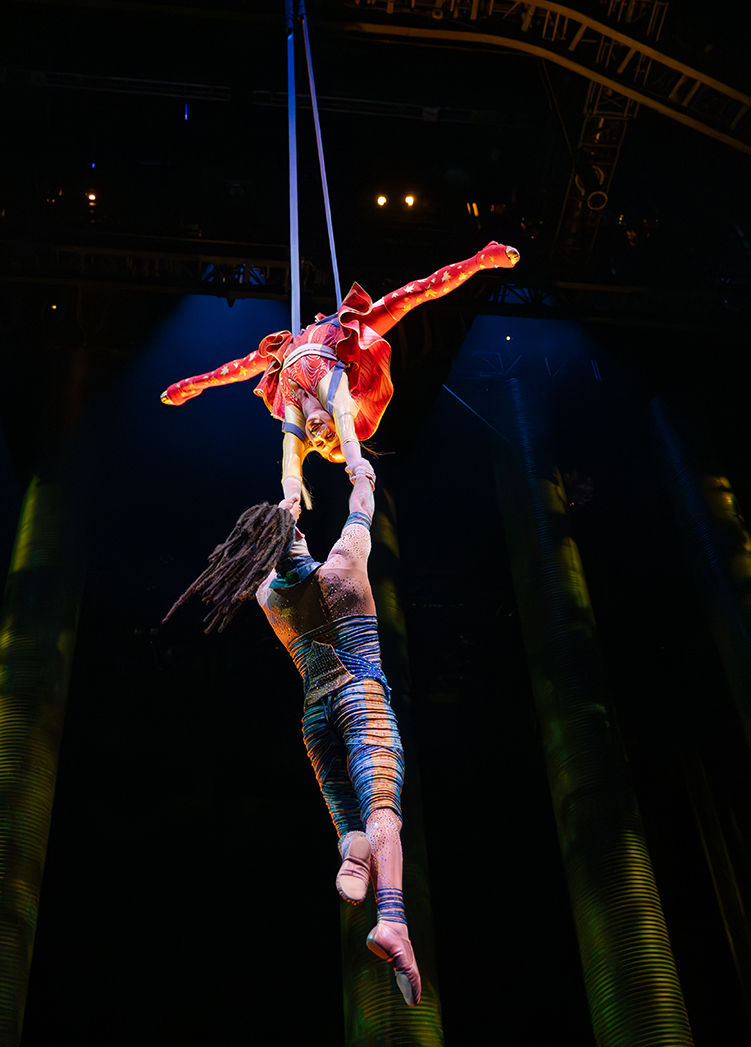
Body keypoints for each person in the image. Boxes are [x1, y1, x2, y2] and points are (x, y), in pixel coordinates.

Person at [164, 462, 420, 1005]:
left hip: (314, 716)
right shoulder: (344, 565)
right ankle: (393, 921)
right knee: (382, 807)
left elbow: (274, 553)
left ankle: (353, 851)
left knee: (348, 815)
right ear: (299, 533)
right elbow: (360, 511)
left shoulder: (267, 598)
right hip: (358, 697)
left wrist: (285, 504)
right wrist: (362, 476)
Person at [159, 241, 519, 510]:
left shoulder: (293, 409)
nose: (319, 436)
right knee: (412, 295)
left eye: (318, 445)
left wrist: (290, 500)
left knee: (242, 367)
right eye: (329, 436)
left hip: (293, 350)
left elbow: (290, 459)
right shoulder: (337, 396)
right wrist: (357, 465)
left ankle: (190, 385)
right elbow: (346, 420)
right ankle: (480, 259)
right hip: (339, 338)